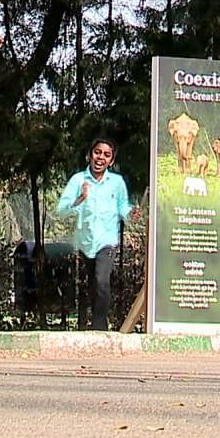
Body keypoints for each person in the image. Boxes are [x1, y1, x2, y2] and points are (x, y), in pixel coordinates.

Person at [54, 138, 138, 331]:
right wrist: (80, 198)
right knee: (93, 284)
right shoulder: (78, 180)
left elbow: (123, 207)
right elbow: (62, 210)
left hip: (107, 241)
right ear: (89, 155)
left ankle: (100, 328)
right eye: (97, 152)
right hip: (85, 242)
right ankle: (94, 323)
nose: (101, 158)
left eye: (106, 155)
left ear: (112, 161)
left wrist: (131, 212)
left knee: (102, 280)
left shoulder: (116, 182)